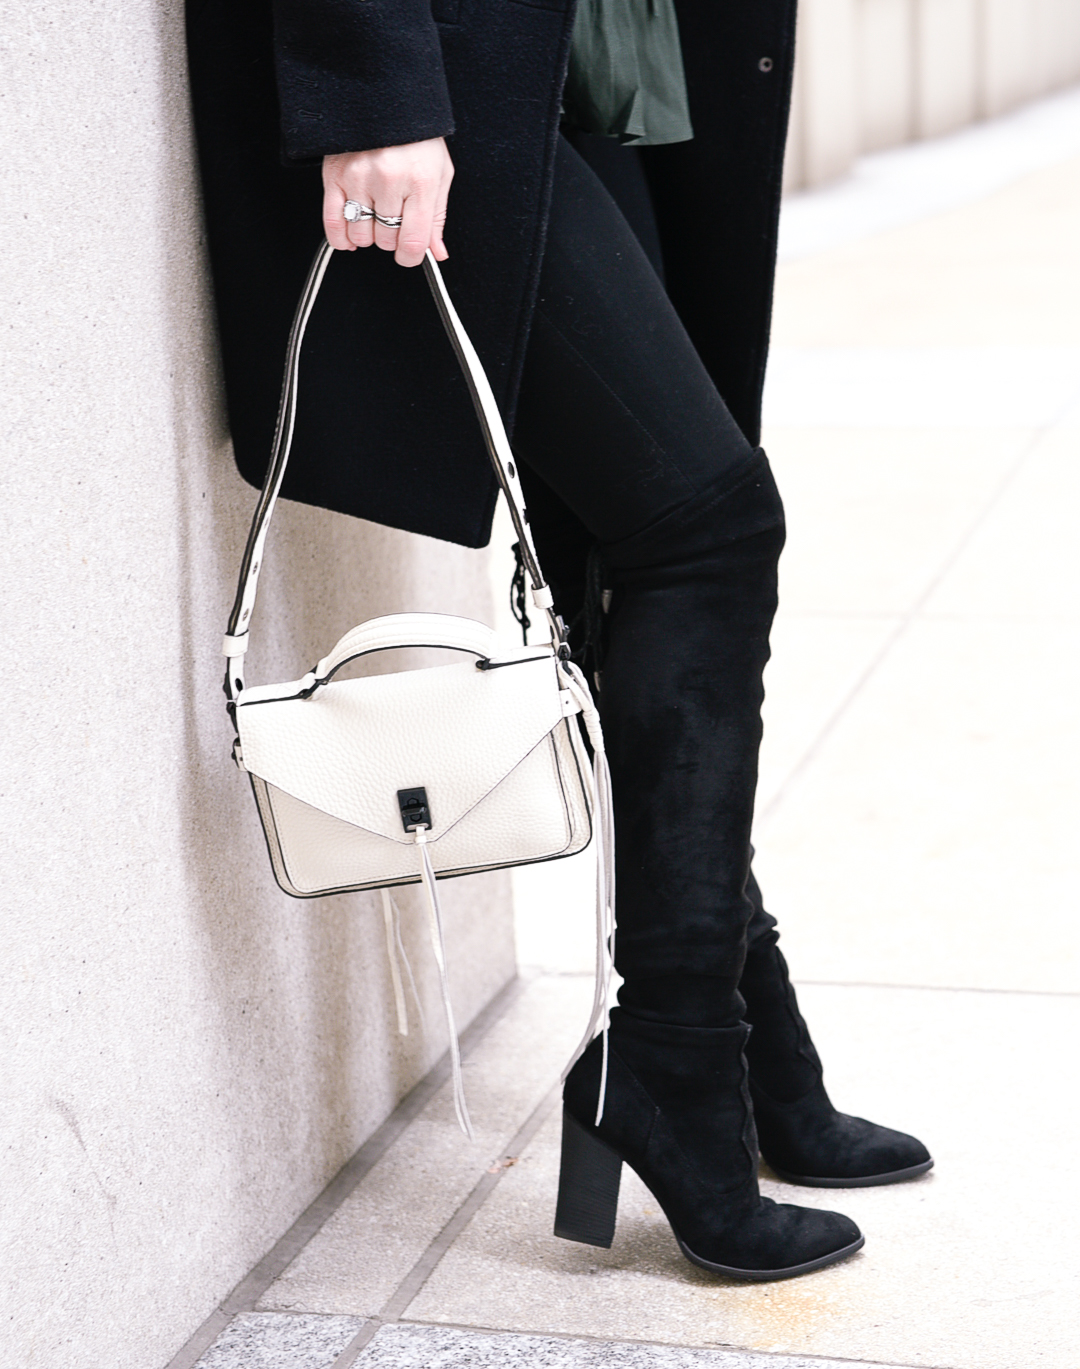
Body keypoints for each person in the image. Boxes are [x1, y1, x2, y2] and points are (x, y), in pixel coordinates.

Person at [186, 0, 931, 1282]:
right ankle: (679, 1053)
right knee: (708, 528)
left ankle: (742, 1036)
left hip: (613, 53)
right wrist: (373, 89)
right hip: (465, 64)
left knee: (629, 548)